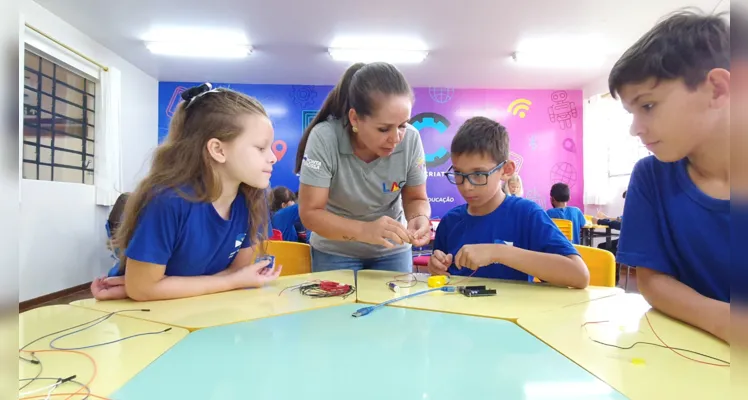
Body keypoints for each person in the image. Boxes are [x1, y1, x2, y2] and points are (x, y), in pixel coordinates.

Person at [90, 83, 282, 301]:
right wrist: (231, 282)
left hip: (193, 308)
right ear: (218, 150)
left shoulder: (252, 201)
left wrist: (163, 288)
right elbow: (142, 289)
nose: (273, 158)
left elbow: (236, 272)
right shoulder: (168, 201)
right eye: (260, 148)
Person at [609, 10, 729, 342]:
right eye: (631, 112)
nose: (635, 129)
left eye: (647, 106)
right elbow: (652, 280)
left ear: (717, 90)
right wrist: (727, 323)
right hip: (694, 351)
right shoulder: (650, 175)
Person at [296, 62, 431, 273]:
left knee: (394, 306)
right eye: (383, 128)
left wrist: (418, 218)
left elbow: (416, 198)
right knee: (336, 307)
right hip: (335, 251)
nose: (395, 138)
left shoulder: (411, 139)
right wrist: (364, 230)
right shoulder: (325, 138)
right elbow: (310, 213)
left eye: (403, 125)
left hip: (392, 252)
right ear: (355, 119)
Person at [426, 117, 589, 289]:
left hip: (511, 314)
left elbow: (579, 275)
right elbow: (444, 279)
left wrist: (498, 252)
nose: (467, 186)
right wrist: (437, 268)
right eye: (459, 173)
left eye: (479, 174)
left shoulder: (526, 214)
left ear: (506, 171)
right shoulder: (450, 222)